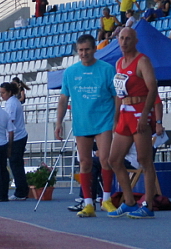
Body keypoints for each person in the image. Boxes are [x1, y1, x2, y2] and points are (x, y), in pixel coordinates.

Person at [55, 34, 118, 217]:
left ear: (94, 49)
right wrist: (59, 122)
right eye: (81, 50)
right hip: (82, 122)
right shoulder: (70, 72)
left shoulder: (107, 69)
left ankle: (106, 199)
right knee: (84, 162)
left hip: (104, 120)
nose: (84, 53)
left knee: (105, 159)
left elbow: (117, 96)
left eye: (87, 49)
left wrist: (116, 119)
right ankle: (88, 203)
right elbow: (63, 99)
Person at [107, 26, 159, 218]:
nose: (124, 42)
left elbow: (153, 88)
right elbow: (119, 93)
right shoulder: (119, 63)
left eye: (128, 38)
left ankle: (149, 205)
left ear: (135, 41)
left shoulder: (142, 61)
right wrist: (116, 118)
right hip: (125, 113)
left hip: (139, 112)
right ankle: (129, 201)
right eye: (121, 38)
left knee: (144, 160)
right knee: (114, 160)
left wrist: (146, 115)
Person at [0, 81, 29, 201]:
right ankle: (23, 190)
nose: (1, 95)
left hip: (17, 137)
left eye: (3, 93)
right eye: (0, 93)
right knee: (17, 165)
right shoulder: (13, 101)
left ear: (9, 92)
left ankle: (21, 192)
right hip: (19, 136)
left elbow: (10, 121)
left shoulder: (11, 104)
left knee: (16, 165)